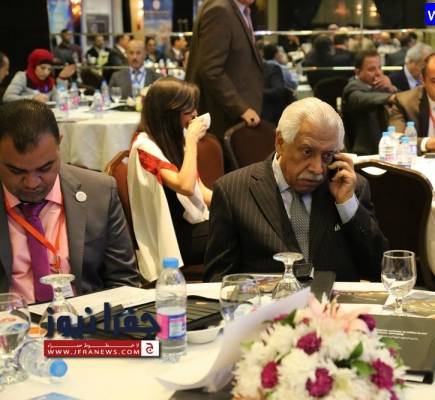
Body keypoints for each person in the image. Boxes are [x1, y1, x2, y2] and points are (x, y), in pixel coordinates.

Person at [204, 97, 388, 282]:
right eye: (307, 151)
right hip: (266, 299)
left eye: (327, 155)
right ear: (280, 142)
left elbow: (379, 270)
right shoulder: (233, 191)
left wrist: (347, 205)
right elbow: (217, 281)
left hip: (335, 299)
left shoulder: (349, 188)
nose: (317, 169)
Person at [0, 100, 139, 304]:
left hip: (86, 318)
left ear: (60, 145)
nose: (32, 183)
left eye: (45, 168)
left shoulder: (98, 192)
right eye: (16, 171)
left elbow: (124, 281)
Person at [128, 78, 211, 282]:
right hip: (174, 239)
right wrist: (191, 141)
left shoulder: (171, 139)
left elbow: (201, 190)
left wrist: (239, 202)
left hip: (192, 226)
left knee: (243, 219)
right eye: (188, 110)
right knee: (236, 230)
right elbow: (186, 186)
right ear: (169, 113)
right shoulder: (144, 146)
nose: (195, 115)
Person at [186, 0, 263, 141]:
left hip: (236, 116)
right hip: (224, 118)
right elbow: (210, 68)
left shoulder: (239, 10)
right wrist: (241, 108)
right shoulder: (220, 10)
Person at [342, 50, 397, 155]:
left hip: (386, 149)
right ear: (357, 72)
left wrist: (391, 88)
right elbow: (363, 99)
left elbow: (402, 100)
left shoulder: (379, 86)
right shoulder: (352, 88)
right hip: (363, 153)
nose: (378, 73)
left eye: (379, 67)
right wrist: (390, 97)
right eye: (371, 69)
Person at [3, 49, 75, 103]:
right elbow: (7, 98)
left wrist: (61, 79)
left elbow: (59, 101)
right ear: (34, 65)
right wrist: (33, 98)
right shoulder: (22, 77)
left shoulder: (49, 81)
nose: (46, 72)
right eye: (42, 68)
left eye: (49, 69)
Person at [261, 44, 293, 125]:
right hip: (271, 115)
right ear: (276, 54)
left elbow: (278, 90)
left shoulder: (272, 68)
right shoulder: (281, 68)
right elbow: (293, 84)